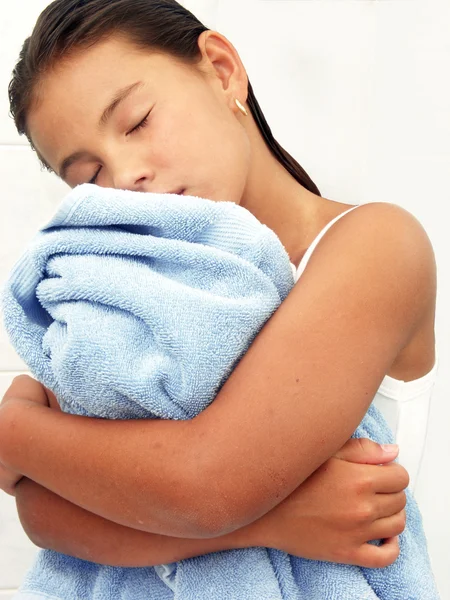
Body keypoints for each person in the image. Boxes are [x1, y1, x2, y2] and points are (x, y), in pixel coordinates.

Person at [0, 0, 436, 579]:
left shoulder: (376, 246)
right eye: (90, 175)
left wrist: (14, 432)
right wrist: (274, 523)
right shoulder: (129, 297)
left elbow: (209, 486)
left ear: (222, 68)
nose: (126, 175)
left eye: (136, 122)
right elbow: (43, 512)